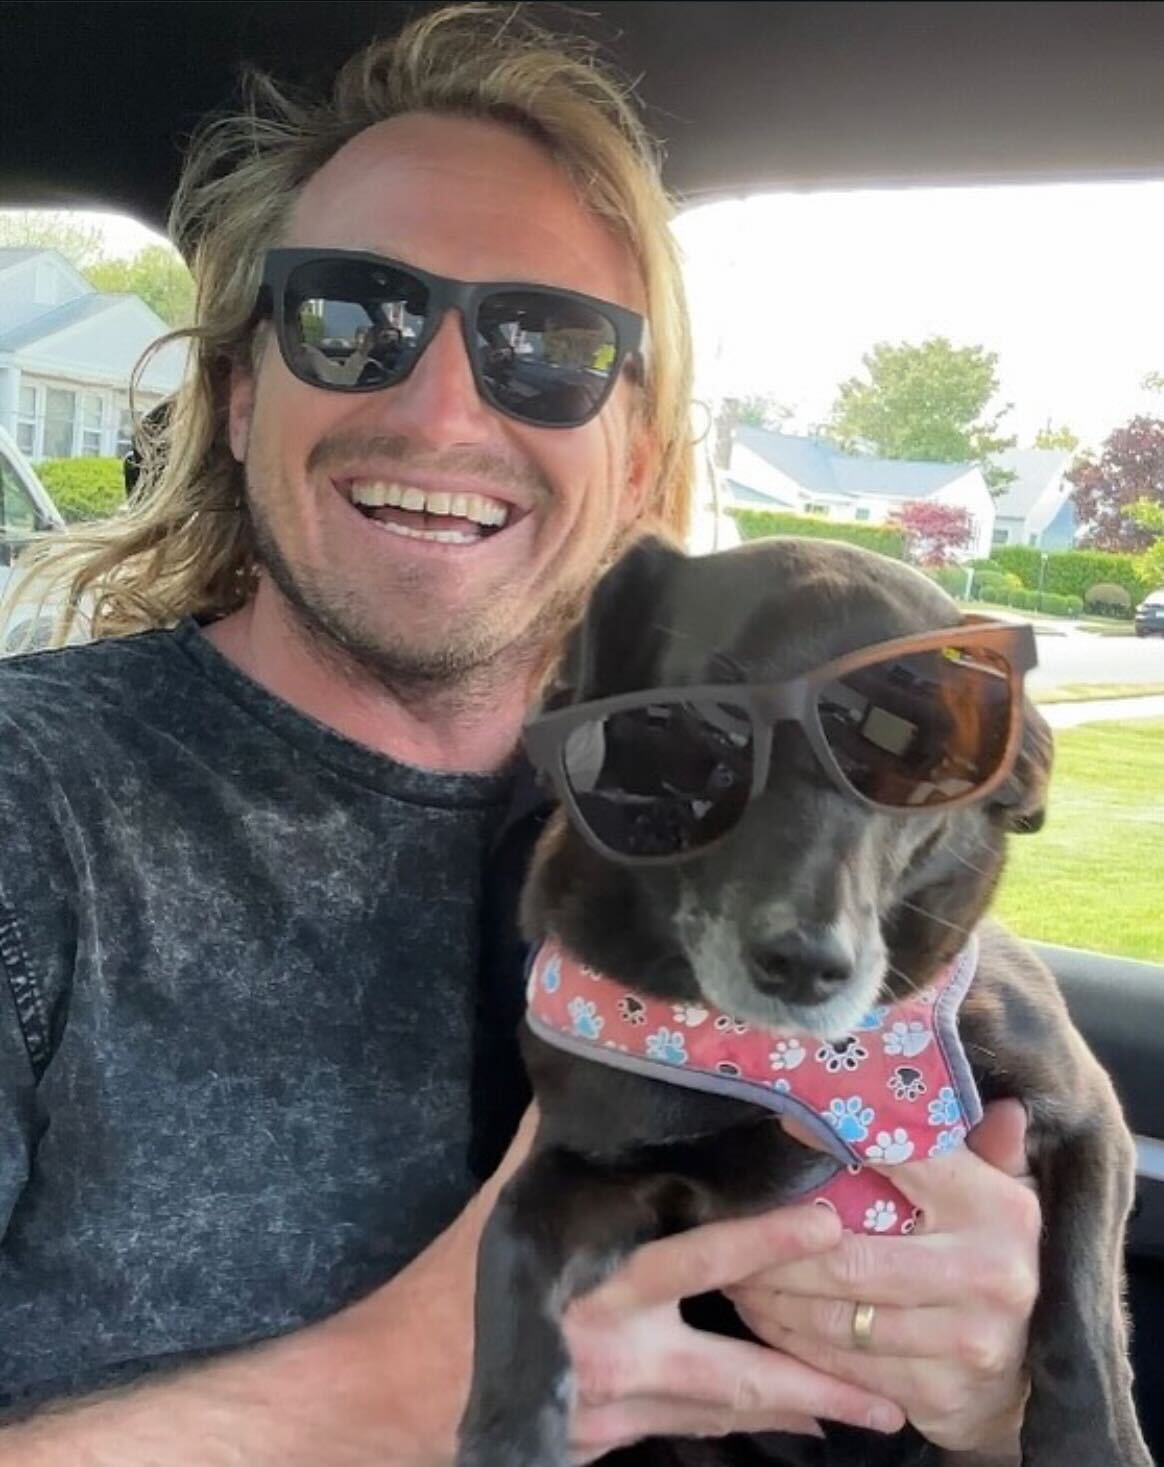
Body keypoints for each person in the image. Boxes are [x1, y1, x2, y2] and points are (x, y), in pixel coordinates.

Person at [0, 6, 1039, 1463]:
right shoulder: (33, 811)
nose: (439, 412)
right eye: (352, 318)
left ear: (639, 454)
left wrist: (991, 1397)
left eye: (547, 345)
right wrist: (385, 1393)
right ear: (237, 397)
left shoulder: (787, 812)